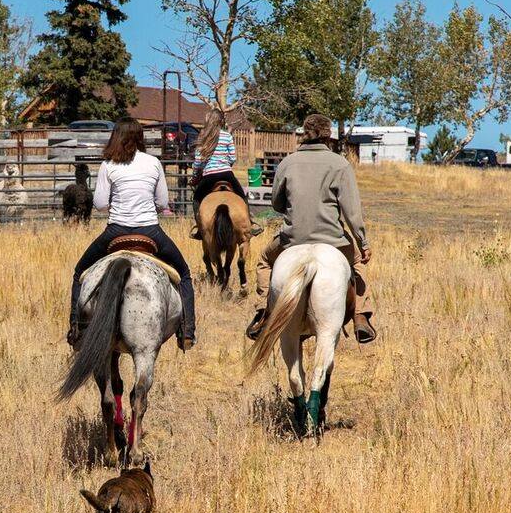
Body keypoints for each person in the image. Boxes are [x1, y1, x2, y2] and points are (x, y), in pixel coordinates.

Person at [245, 113, 376, 343]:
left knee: (265, 261)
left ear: (304, 134)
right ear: (328, 135)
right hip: (333, 239)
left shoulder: (287, 163)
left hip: (292, 238)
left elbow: (276, 204)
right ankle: (360, 317)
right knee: (357, 263)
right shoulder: (340, 164)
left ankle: (263, 313)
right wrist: (363, 243)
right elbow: (352, 212)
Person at [69, 120, 196, 350]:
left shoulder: (109, 164)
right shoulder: (154, 162)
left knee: (80, 271)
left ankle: (77, 329)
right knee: (184, 274)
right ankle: (187, 332)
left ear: (115, 137)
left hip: (115, 230)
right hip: (149, 230)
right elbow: (163, 202)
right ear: (140, 137)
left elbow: (98, 204)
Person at [188, 107, 247, 240]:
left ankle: (199, 228)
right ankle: (250, 223)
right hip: (227, 174)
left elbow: (198, 162)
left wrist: (195, 177)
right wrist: (225, 166)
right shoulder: (227, 136)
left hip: (208, 176)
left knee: (196, 199)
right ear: (221, 121)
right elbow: (233, 158)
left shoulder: (203, 137)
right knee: (242, 197)